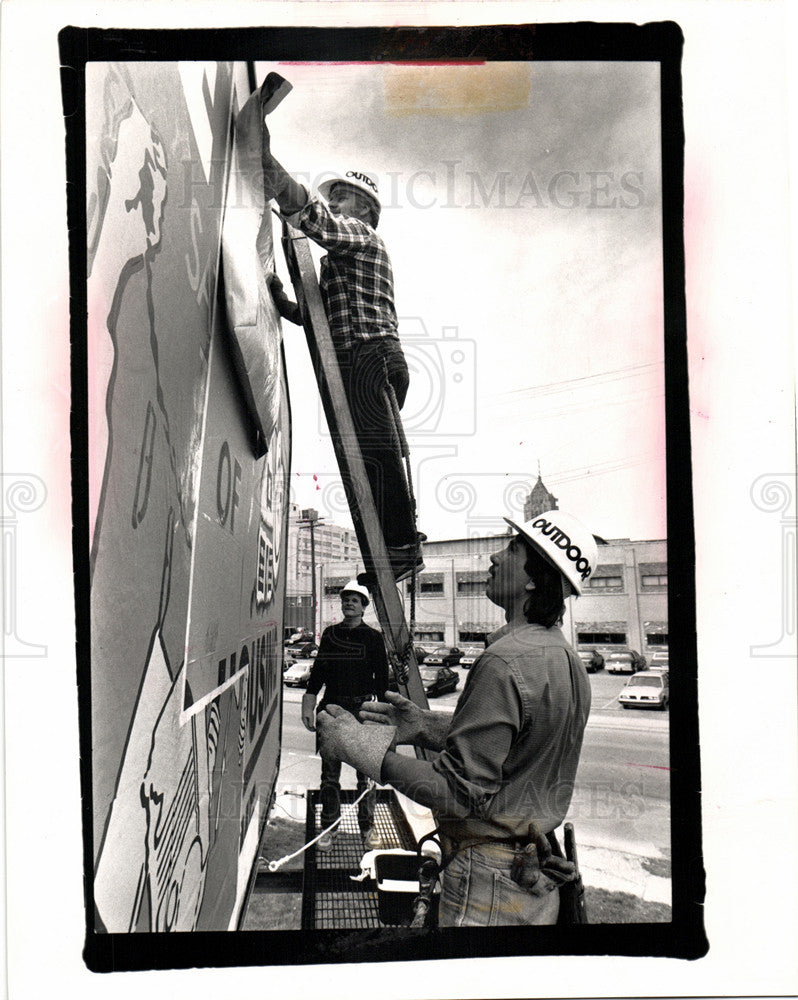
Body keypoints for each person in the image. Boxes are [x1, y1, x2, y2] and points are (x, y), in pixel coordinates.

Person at [317, 509, 598, 925]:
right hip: (529, 875)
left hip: (488, 887)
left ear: (535, 579)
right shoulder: (568, 661)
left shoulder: (505, 662)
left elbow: (454, 793)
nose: (495, 557)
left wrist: (360, 748)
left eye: (513, 548)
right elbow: (522, 744)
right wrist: (427, 728)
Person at [259, 85, 423, 582]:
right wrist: (278, 295)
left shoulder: (362, 237)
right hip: (357, 358)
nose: (334, 205)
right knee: (370, 459)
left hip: (372, 354)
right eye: (333, 198)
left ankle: (402, 547)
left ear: (367, 211)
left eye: (342, 200)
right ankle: (392, 549)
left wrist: (268, 169)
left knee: (377, 450)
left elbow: (321, 224)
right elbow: (317, 319)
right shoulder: (339, 268)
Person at [301, 580, 390, 851]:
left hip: (363, 710)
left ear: (364, 607)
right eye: (346, 599)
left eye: (355, 600)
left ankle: (368, 828)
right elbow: (318, 671)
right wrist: (309, 701)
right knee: (330, 775)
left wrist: (384, 711)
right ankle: (329, 829)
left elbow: (382, 678)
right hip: (332, 710)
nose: (349, 603)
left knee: (366, 774)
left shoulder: (374, 638)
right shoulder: (330, 635)